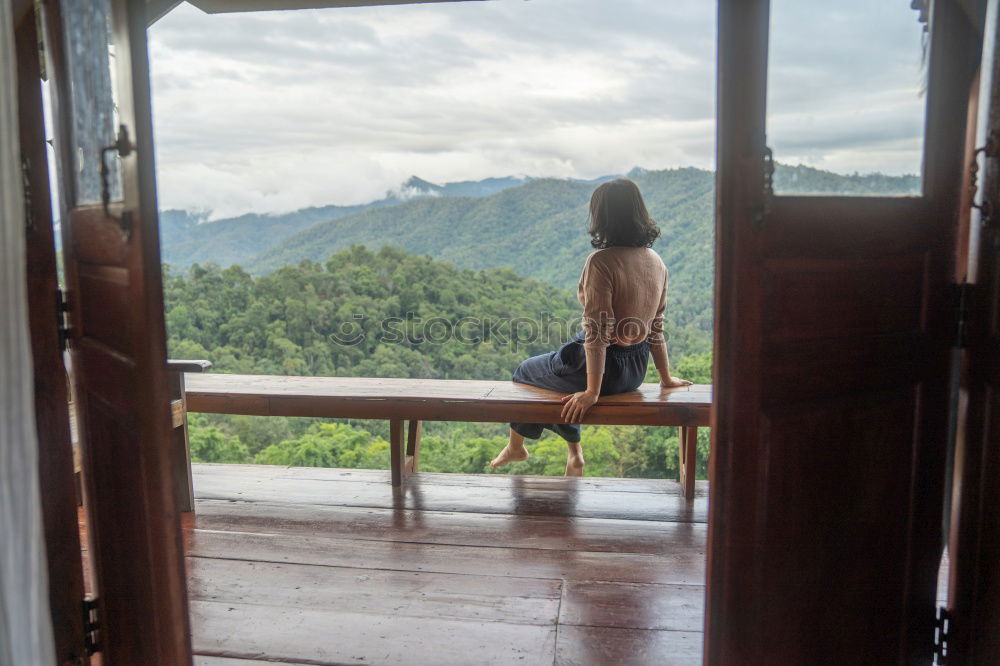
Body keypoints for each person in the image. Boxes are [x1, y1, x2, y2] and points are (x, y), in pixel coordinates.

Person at [490, 178, 691, 476]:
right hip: (635, 370)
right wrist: (665, 378)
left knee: (525, 372)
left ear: (602, 217)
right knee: (559, 381)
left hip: (601, 369)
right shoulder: (657, 262)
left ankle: (521, 446)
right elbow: (656, 328)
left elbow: (596, 334)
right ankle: (571, 453)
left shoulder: (602, 261)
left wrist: (592, 392)